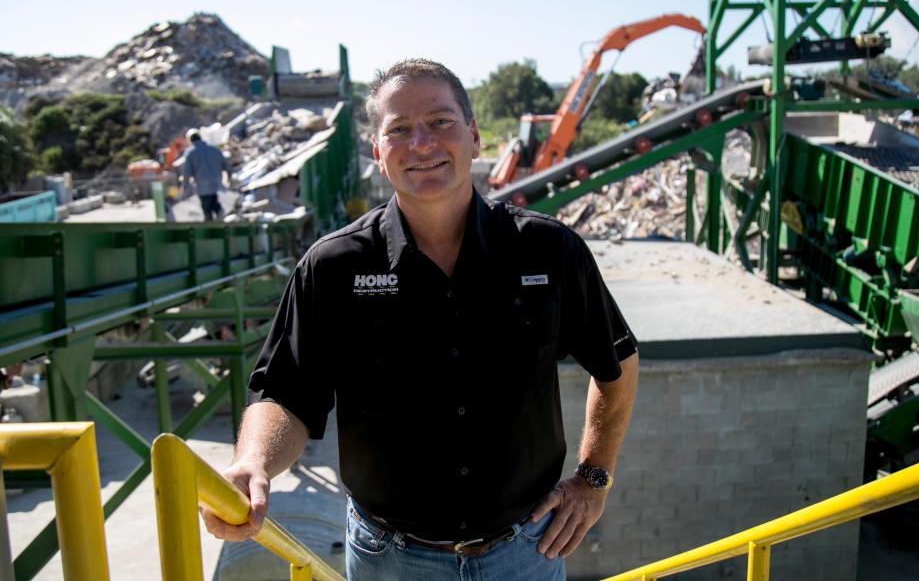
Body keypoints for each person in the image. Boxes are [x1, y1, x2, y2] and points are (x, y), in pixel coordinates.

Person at [201, 59, 639, 580]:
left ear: (474, 138)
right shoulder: (333, 267)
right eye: (400, 129)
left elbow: (617, 362)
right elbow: (285, 393)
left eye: (440, 122)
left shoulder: (548, 250)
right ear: (379, 155)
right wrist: (254, 463)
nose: (422, 143)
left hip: (526, 553)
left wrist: (593, 479)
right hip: (391, 559)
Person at [180, 128, 231, 221]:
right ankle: (219, 211)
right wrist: (229, 179)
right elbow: (226, 165)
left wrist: (185, 186)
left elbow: (187, 172)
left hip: (202, 186)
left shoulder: (190, 153)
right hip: (216, 183)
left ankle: (210, 227)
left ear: (190, 140)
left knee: (207, 209)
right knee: (214, 200)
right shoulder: (213, 148)